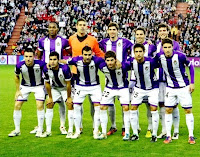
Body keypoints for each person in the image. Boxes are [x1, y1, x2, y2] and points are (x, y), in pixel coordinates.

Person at [31, 21, 70, 135]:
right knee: (44, 100)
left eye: (54, 27)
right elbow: (39, 56)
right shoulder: (42, 41)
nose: (52, 29)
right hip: (47, 73)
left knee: (62, 102)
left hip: (59, 72)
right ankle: (40, 125)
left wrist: (64, 61)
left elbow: (69, 53)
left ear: (57, 29)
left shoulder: (63, 41)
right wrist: (43, 66)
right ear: (47, 29)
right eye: (50, 27)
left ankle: (62, 126)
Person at [155, 38, 195, 144]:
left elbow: (191, 66)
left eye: (169, 47)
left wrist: (192, 82)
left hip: (183, 87)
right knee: (168, 110)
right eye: (165, 47)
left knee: (187, 110)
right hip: (170, 88)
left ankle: (191, 136)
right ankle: (168, 136)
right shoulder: (159, 56)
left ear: (172, 47)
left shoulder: (180, 56)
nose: (167, 49)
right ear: (162, 48)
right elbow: (151, 63)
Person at [68, 18, 105, 132]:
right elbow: (70, 53)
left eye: (84, 25)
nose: (82, 27)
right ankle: (79, 126)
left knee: (93, 102)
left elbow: (99, 53)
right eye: (80, 25)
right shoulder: (71, 39)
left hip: (91, 73)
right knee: (78, 102)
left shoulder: (92, 40)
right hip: (76, 74)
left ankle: (95, 126)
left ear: (87, 27)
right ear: (76, 26)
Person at [99, 22, 133, 136]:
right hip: (109, 79)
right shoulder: (104, 42)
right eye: (110, 29)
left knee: (124, 105)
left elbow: (134, 53)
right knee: (109, 104)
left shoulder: (125, 42)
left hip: (122, 78)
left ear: (117, 30)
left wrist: (124, 63)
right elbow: (96, 51)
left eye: (114, 29)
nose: (112, 31)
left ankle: (124, 127)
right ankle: (113, 126)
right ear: (107, 31)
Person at [64, 46, 104, 139]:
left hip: (94, 87)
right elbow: (64, 61)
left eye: (89, 55)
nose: (87, 57)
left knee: (98, 108)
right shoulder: (76, 60)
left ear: (92, 54)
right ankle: (77, 131)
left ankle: (96, 130)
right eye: (85, 55)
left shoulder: (97, 60)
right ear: (82, 54)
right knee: (76, 107)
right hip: (80, 87)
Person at [8, 47, 46, 138]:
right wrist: (17, 90)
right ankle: (17, 130)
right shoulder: (19, 65)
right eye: (26, 56)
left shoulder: (41, 64)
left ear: (34, 56)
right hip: (25, 86)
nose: (28, 59)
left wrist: (47, 91)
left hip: (39, 86)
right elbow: (16, 76)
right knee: (17, 105)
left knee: (40, 105)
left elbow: (48, 77)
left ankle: (40, 129)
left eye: (30, 56)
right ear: (23, 57)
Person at [129, 44, 159, 142]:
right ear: (134, 53)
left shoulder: (151, 61)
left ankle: (154, 134)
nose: (138, 54)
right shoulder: (131, 62)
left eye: (140, 51)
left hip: (153, 88)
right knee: (133, 108)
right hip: (139, 88)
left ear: (144, 52)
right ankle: (135, 134)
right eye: (136, 52)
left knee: (153, 108)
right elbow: (122, 66)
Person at [97, 50, 130, 140]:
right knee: (102, 107)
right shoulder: (102, 66)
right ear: (105, 61)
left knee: (125, 108)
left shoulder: (123, 66)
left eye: (112, 60)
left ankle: (127, 132)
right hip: (109, 88)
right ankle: (104, 133)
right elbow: (93, 58)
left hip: (123, 88)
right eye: (108, 60)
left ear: (115, 60)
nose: (110, 63)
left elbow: (133, 62)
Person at [156, 23, 181, 139]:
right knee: (161, 104)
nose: (162, 32)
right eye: (160, 30)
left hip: (172, 81)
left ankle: (176, 130)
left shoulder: (175, 44)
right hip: (160, 79)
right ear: (158, 33)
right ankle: (165, 129)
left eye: (164, 30)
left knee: (174, 105)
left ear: (168, 32)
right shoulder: (155, 45)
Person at [41, 52, 73, 138]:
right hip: (55, 88)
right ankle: (48, 131)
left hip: (66, 88)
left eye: (54, 59)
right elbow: (47, 83)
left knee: (70, 104)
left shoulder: (65, 68)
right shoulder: (46, 69)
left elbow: (68, 84)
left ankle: (70, 130)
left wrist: (69, 97)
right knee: (49, 104)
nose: (52, 62)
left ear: (58, 60)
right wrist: (50, 97)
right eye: (51, 59)